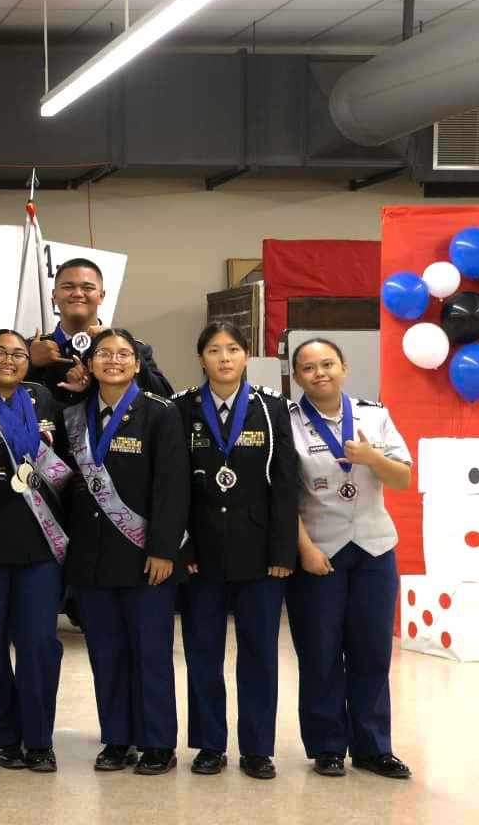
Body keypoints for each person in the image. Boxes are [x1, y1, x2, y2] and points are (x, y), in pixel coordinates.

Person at [284, 338, 414, 780]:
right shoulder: (288, 422)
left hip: (375, 549)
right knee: (320, 652)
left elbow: (402, 479)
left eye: (327, 364)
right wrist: (304, 548)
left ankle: (374, 746)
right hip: (321, 551)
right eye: (308, 367)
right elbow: (282, 497)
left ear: (343, 367)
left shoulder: (374, 415)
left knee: (372, 651)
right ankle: (327, 745)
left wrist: (372, 457)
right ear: (297, 376)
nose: (319, 372)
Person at [59, 328, 188, 775]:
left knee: (150, 653)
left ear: (137, 365)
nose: (113, 360)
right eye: (103, 354)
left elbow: (172, 487)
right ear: (90, 364)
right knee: (106, 653)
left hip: (144, 557)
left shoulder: (160, 413)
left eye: (123, 354)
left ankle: (157, 742)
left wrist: (163, 549)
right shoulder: (72, 416)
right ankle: (117, 738)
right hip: (92, 557)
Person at [173, 322, 299, 779]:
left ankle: (257, 748)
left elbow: (286, 484)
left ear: (246, 356)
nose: (224, 358)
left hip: (260, 553)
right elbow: (172, 486)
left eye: (232, 349)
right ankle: (209, 744)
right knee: (202, 652)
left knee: (260, 653)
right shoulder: (181, 408)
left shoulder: (271, 408)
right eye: (213, 350)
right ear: (201, 358)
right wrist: (181, 545)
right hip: (200, 554)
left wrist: (284, 552)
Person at [0, 329, 72, 773]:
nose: (8, 360)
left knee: (40, 644)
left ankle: (39, 738)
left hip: (40, 543)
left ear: (30, 361)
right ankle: (3, 736)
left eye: (18, 354)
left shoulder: (43, 399)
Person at [27, 259, 172, 399]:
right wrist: (31, 365)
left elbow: (165, 398)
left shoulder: (133, 348)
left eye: (87, 288)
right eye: (68, 287)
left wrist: (127, 351)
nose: (77, 293)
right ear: (54, 296)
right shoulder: (28, 350)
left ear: (101, 296)